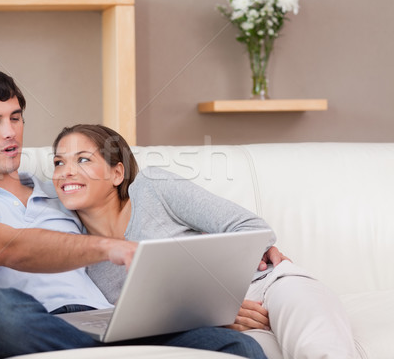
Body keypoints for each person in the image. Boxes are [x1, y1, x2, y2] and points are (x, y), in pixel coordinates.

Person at [0, 68, 267, 359]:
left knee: (236, 344)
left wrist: (204, 303)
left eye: (15, 118)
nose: (10, 131)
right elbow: (12, 247)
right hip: (32, 325)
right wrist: (106, 248)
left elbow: (140, 227)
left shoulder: (63, 191)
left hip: (108, 324)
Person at [51, 124, 359, 359]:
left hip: (265, 283)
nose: (66, 172)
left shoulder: (152, 188)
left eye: (82, 159)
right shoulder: (77, 252)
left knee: (323, 345)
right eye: (58, 163)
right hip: (204, 320)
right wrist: (211, 313)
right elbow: (139, 319)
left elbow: (250, 228)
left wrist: (220, 298)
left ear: (117, 173)